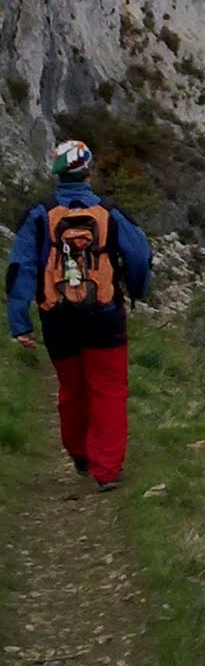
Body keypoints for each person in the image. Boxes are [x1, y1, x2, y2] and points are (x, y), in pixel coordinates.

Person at [5, 138, 152, 490]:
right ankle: (107, 470)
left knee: (72, 388)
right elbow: (139, 256)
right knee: (109, 389)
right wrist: (137, 290)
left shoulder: (39, 214)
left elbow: (20, 268)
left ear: (58, 174)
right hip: (104, 315)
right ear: (88, 172)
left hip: (57, 318)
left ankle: (79, 452)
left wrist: (20, 323)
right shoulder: (109, 212)